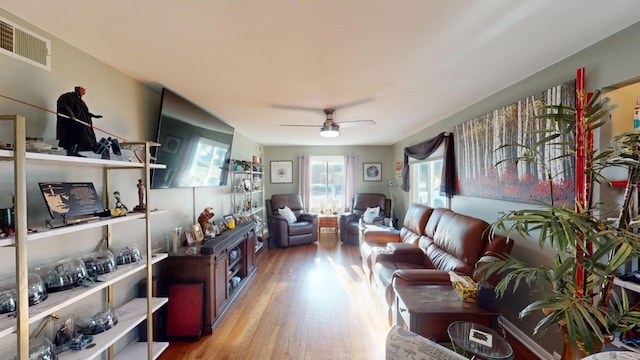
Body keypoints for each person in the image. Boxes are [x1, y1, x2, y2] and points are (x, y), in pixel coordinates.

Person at [56, 86, 103, 156]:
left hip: (82, 124)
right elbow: (64, 105)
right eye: (82, 91)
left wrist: (94, 116)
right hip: (72, 123)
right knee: (72, 137)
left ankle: (76, 152)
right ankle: (71, 152)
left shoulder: (81, 102)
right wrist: (71, 114)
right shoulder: (68, 96)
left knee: (86, 139)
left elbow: (86, 112)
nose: (83, 94)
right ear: (77, 90)